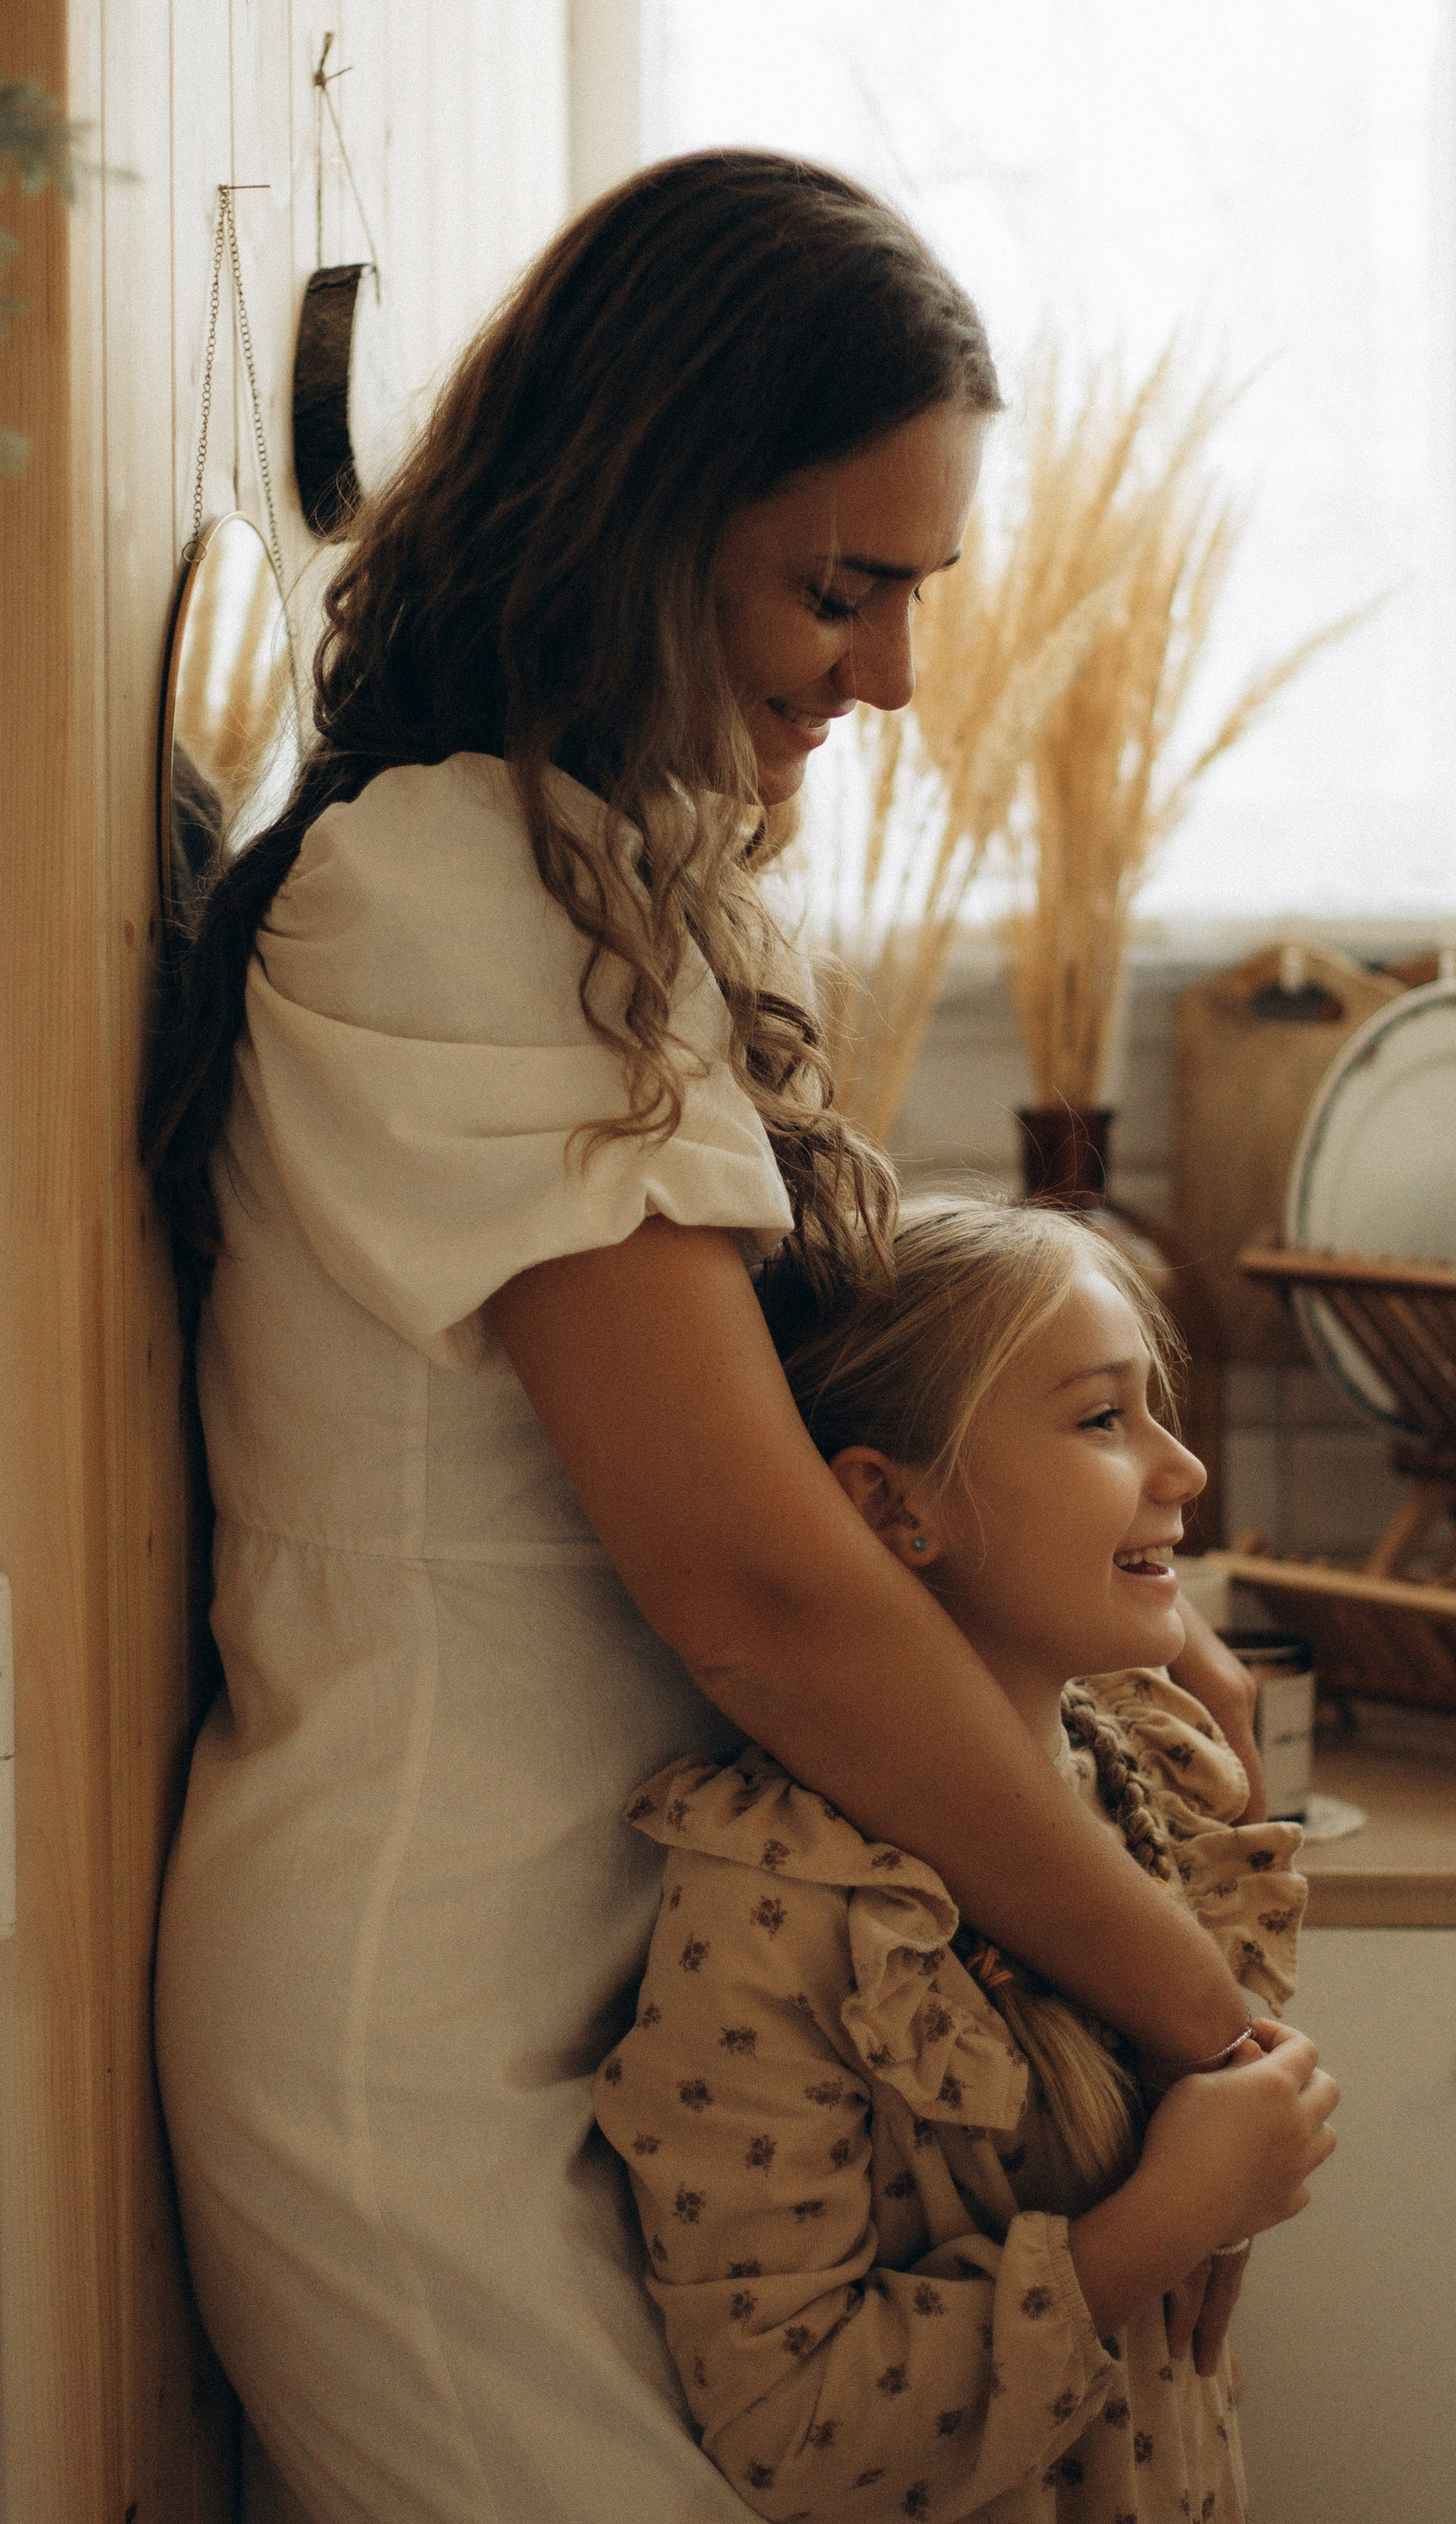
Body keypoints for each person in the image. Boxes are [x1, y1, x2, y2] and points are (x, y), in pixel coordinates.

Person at [144, 151, 1277, 2524]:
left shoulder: (616, 886)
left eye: (915, 594)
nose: (887, 676)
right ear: (636, 516)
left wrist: (1106, 1652)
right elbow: (759, 1589)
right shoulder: (445, 896)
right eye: (835, 589)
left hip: (632, 2017)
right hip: (428, 2051)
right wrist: (1183, 1994)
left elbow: (839, 1461)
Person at [596, 1197, 1336, 2524]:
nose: (1185, 1472)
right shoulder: (785, 1907)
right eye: (1103, 1419)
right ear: (892, 1506)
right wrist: (1164, 2223)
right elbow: (792, 2432)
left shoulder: (1146, 1780)